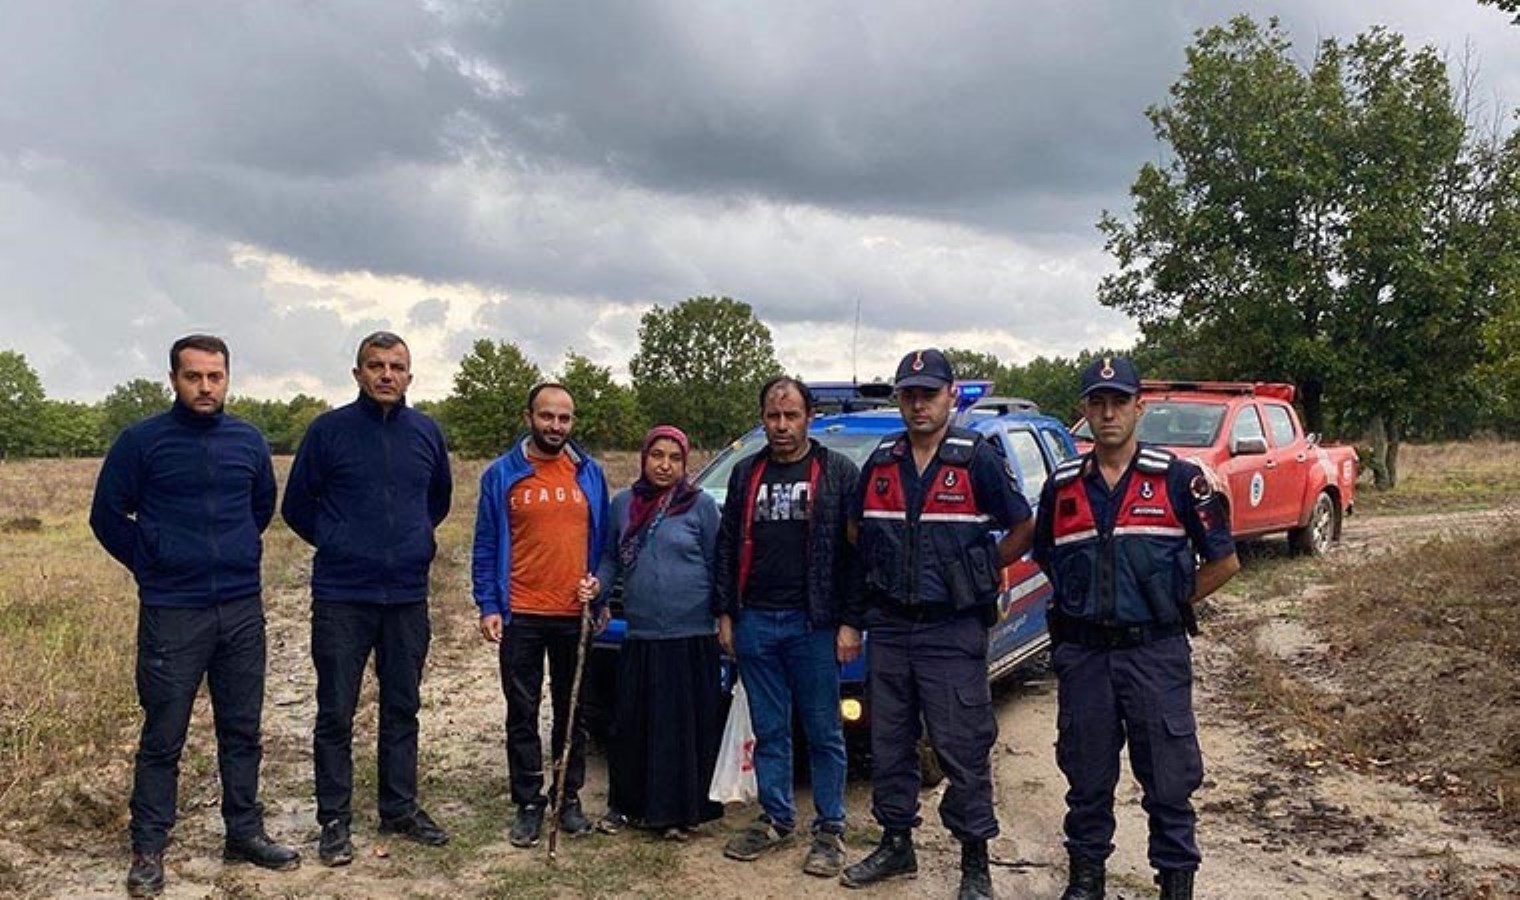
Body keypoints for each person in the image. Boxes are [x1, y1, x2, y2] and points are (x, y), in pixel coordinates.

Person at [89, 334, 299, 898]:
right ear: (174, 379)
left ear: (228, 378)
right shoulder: (142, 442)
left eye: (215, 377)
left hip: (239, 608)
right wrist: (153, 560)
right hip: (172, 611)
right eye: (194, 377)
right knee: (164, 734)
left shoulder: (248, 441)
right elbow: (107, 515)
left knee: (242, 729)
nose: (205, 387)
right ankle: (149, 847)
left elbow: (260, 507)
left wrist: (227, 555)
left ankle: (244, 832)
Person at [1033, 356, 1239, 900]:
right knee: (1087, 776)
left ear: (1137, 408)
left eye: (1118, 402)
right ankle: (1085, 881)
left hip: (1154, 653)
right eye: (1097, 403)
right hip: (1085, 657)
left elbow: (1223, 561)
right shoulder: (1062, 487)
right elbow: (1048, 556)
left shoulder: (1179, 479)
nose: (1108, 414)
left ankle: (1175, 884)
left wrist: (1167, 601)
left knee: (1169, 779)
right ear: (1084, 411)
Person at [840, 348, 1033, 900]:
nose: (919, 403)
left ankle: (976, 863)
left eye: (929, 393)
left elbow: (1023, 527)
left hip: (952, 629)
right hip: (892, 626)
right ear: (899, 398)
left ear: (951, 395)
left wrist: (980, 570)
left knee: (962, 745)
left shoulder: (976, 458)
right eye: (909, 393)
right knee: (891, 741)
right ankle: (896, 843)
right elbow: (857, 536)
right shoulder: (881, 462)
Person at [281, 331, 453, 866]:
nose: (386, 374)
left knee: (402, 706)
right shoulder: (328, 432)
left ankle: (398, 808)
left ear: (409, 375)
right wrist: (341, 541)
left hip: (405, 596)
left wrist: (410, 542)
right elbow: (296, 506)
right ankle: (334, 819)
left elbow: (437, 501)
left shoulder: (426, 433)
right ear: (357, 373)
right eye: (375, 365)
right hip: (342, 596)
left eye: (396, 366)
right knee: (336, 710)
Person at [714, 376, 858, 878]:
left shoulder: (837, 472)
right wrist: (727, 612)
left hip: (814, 623)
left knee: (824, 730)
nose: (781, 426)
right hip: (755, 621)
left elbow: (853, 555)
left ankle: (831, 828)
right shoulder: (745, 473)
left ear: (808, 418)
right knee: (771, 729)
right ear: (763, 418)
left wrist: (849, 622)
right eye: (773, 416)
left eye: (791, 415)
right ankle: (777, 817)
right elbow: (728, 544)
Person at [472, 383, 610, 848]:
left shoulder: (588, 473)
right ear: (529, 415)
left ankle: (567, 798)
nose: (556, 426)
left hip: (576, 613)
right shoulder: (502, 475)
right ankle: (529, 802)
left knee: (573, 712)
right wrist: (488, 604)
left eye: (564, 418)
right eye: (547, 416)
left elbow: (604, 544)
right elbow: (486, 544)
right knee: (523, 711)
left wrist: (601, 589)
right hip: (521, 614)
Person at [584, 425, 724, 840]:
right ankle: (626, 807)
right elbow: (610, 558)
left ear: (686, 463)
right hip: (642, 635)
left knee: (683, 728)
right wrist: (598, 591)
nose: (665, 465)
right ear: (644, 458)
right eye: (657, 456)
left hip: (692, 634)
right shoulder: (624, 504)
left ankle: (679, 814)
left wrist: (724, 619)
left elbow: (719, 566)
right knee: (633, 726)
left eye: (674, 458)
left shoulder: (700, 507)